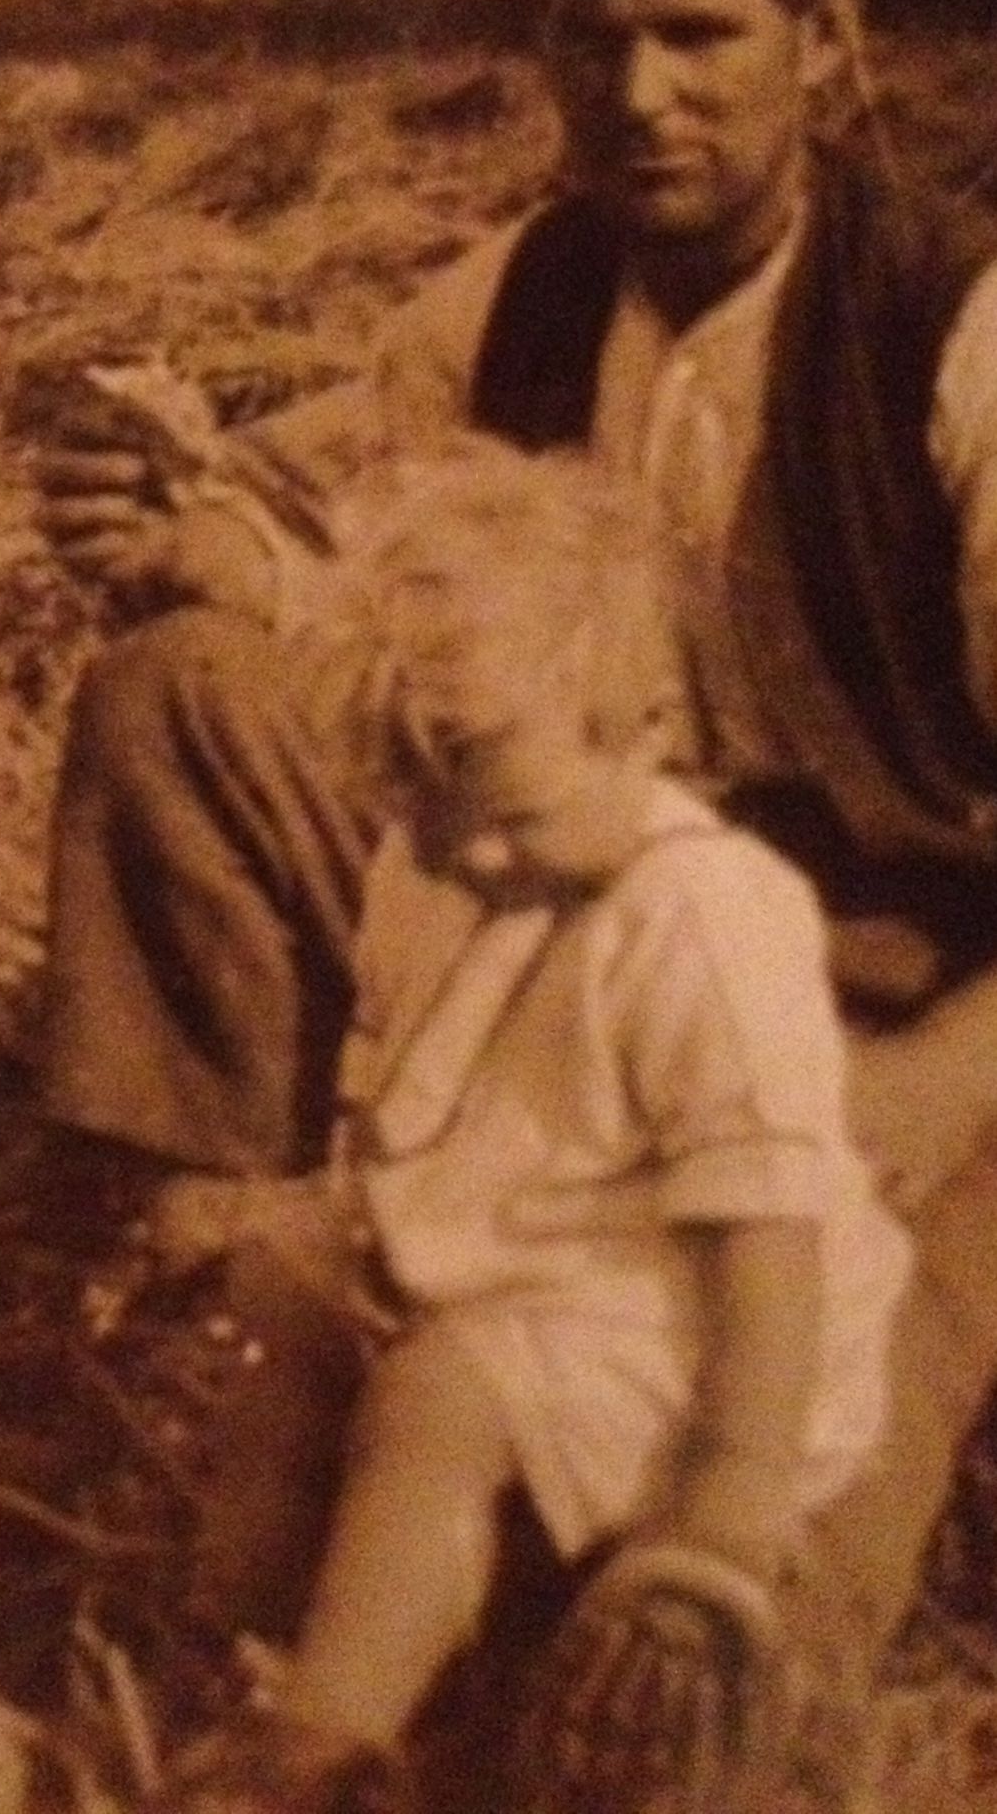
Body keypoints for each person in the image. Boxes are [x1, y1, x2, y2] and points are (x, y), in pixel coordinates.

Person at [34, 0, 997, 1788]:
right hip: (572, 924)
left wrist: (945, 1074)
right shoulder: (513, 298)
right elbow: (326, 529)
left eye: (697, 35)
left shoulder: (957, 336)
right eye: (591, 38)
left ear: (825, 47)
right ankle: (211, 1242)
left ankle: (716, 1648)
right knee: (186, 687)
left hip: (907, 995)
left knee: (797, 1438)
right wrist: (182, 527)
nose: (639, 97)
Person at [159, 439, 906, 1793]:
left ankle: (329, 1735)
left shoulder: (704, 914)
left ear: (649, 728)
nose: (470, 855)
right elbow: (408, 1096)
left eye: (505, 811)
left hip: (697, 1330)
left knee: (449, 1390)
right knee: (283, 1287)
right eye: (417, 811)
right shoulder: (434, 863)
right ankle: (239, 1624)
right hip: (517, 1254)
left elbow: (770, 1243)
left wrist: (728, 1505)